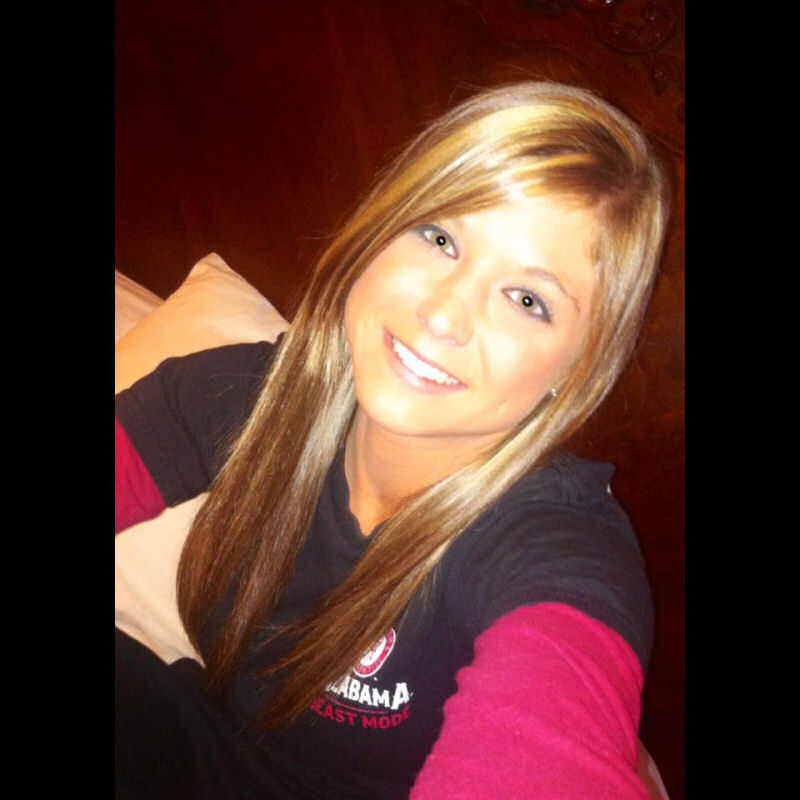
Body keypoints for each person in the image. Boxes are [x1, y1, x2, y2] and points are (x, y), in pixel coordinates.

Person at [115, 81, 671, 799]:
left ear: (577, 368)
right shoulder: (251, 395)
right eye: (440, 238)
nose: (442, 315)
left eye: (528, 300)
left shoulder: (556, 550)